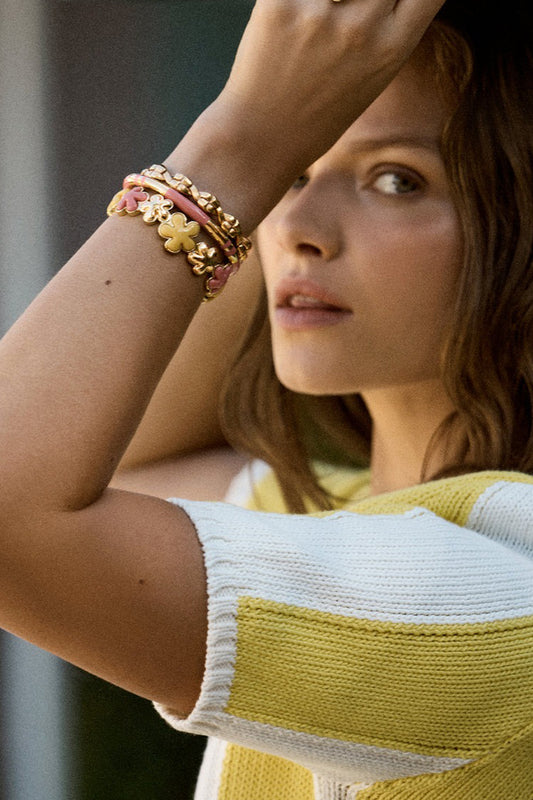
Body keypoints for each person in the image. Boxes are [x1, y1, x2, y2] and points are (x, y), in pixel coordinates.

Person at [0, 0, 532, 798]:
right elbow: (124, 466)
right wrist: (269, 146)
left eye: (397, 179)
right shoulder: (327, 510)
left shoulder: (494, 592)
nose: (292, 227)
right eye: (297, 174)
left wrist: (242, 144)